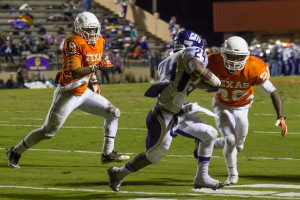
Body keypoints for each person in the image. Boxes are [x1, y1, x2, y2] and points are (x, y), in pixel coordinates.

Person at [7, 11, 130, 169]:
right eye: (88, 29)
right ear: (79, 28)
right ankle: (15, 151)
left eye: (94, 29)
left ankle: (108, 154)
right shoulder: (73, 41)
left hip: (84, 92)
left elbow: (90, 63)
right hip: (67, 93)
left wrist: (94, 81)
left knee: (113, 112)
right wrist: (98, 67)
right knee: (48, 132)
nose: (92, 32)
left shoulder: (100, 42)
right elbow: (75, 72)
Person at [107, 30, 224, 192]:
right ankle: (118, 173)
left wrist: (210, 87)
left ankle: (202, 178)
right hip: (165, 115)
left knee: (209, 134)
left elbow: (192, 81)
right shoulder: (192, 52)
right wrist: (214, 80)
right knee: (153, 156)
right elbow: (197, 68)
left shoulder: (168, 60)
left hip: (176, 110)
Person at [195, 36, 287, 186]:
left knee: (238, 146)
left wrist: (281, 116)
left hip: (243, 107)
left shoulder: (254, 67)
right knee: (231, 140)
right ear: (223, 54)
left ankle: (206, 143)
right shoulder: (212, 61)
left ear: (246, 56)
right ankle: (233, 175)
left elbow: (273, 92)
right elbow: (194, 80)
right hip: (222, 105)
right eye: (231, 56)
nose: (235, 60)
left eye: (239, 57)